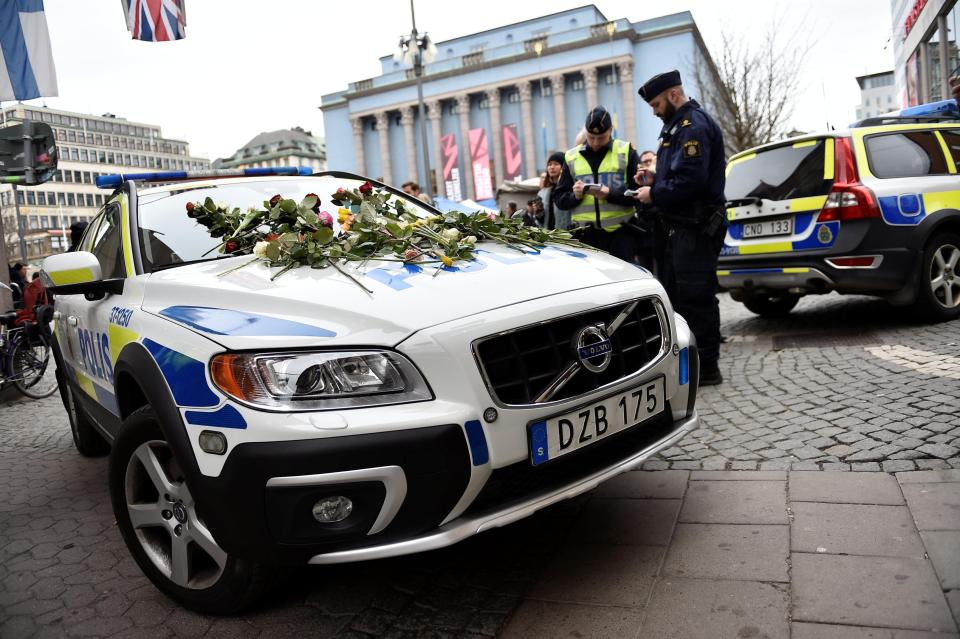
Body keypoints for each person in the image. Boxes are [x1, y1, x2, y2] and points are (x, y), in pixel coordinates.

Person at [634, 70, 727, 386]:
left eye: (657, 103)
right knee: (679, 295)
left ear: (673, 95)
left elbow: (691, 181)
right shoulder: (676, 126)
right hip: (682, 227)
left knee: (696, 296)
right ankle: (692, 362)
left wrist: (654, 193)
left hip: (697, 227)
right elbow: (678, 176)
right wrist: (654, 181)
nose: (655, 111)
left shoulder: (692, 126)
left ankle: (708, 367)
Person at [553, 106, 644, 262]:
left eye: (601, 138)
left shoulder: (626, 151)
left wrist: (610, 194)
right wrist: (575, 196)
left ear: (611, 130)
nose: (595, 143)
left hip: (620, 237)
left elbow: (639, 193)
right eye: (590, 137)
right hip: (585, 239)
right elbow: (559, 199)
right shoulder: (571, 157)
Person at [539, 151, 572, 230]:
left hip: (567, 236)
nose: (552, 167)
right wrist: (539, 213)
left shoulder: (570, 189)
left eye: (556, 164)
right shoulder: (543, 192)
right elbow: (542, 221)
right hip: (548, 236)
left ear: (564, 167)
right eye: (549, 164)